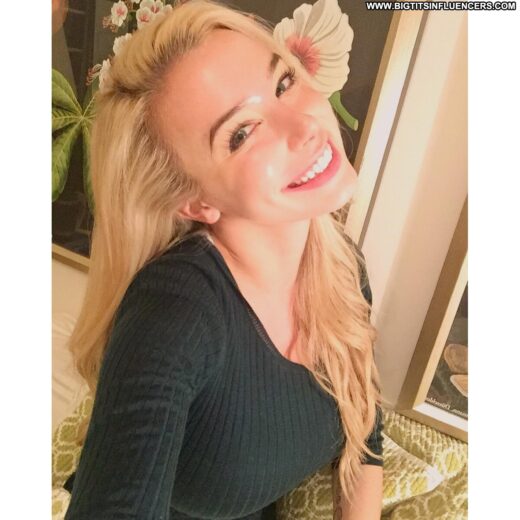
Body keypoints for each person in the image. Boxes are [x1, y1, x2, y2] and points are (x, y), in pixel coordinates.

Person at [64, 1, 384, 518]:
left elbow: (366, 428)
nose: (303, 127)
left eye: (283, 82)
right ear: (195, 201)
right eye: (241, 133)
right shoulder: (174, 313)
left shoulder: (342, 264)